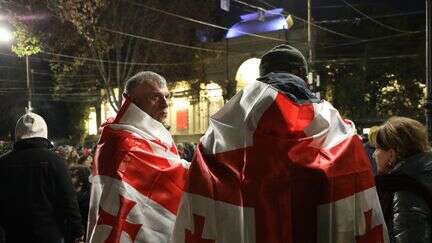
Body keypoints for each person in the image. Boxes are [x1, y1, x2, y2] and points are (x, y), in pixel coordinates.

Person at [171, 45, 387, 242]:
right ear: (301, 73)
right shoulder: (332, 123)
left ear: (262, 75)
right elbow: (354, 178)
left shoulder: (229, 121)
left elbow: (205, 176)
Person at [87, 71, 188, 242]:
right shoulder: (122, 141)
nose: (165, 104)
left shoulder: (156, 136)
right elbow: (172, 175)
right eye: (155, 97)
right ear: (130, 101)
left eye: (166, 97)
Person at [0, 111, 84, 243]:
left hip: (14, 235)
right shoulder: (55, 161)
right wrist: (77, 232)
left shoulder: (3, 163)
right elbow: (69, 200)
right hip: (50, 235)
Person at [373, 116, 432, 243]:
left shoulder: (404, 192)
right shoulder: (420, 177)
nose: (374, 154)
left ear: (391, 154)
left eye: (377, 148)